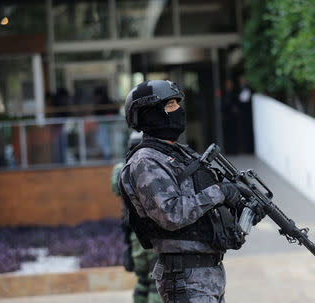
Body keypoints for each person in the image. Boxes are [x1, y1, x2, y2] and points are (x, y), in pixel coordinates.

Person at [117, 80, 266, 303]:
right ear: (148, 114)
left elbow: (203, 210)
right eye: (170, 105)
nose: (178, 110)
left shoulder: (180, 154)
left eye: (178, 103)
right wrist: (220, 191)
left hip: (208, 273)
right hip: (185, 278)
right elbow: (171, 214)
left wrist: (243, 211)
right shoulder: (145, 161)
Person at [111, 131, 161, 303]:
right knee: (155, 282)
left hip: (134, 235)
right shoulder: (148, 166)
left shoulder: (121, 168)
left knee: (142, 282)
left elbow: (115, 188)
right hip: (152, 233)